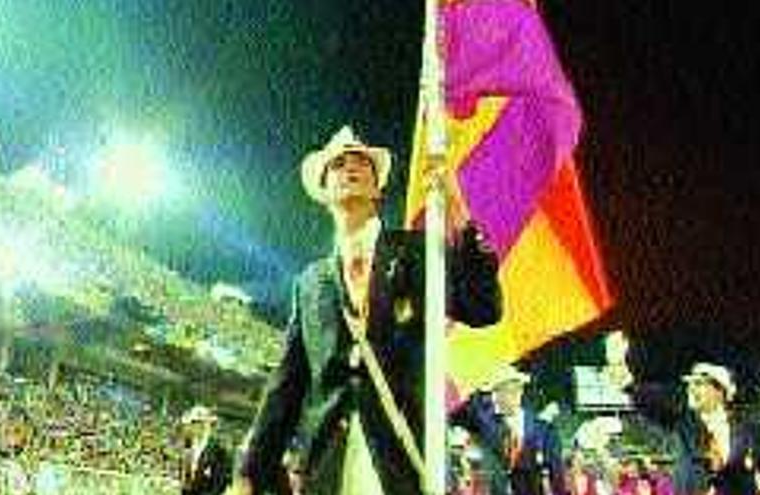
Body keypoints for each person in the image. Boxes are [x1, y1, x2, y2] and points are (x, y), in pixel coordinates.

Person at [233, 126, 502, 494]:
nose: (351, 167)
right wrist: (250, 472)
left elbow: (484, 306)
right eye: (338, 163)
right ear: (324, 191)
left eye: (362, 161)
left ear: (377, 189)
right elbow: (288, 384)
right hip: (328, 466)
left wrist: (463, 222)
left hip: (403, 457)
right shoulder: (310, 283)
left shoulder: (416, 254)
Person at [625, 361, 760, 495]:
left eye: (699, 383)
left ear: (719, 391)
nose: (691, 389)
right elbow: (649, 405)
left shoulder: (748, 428)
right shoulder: (683, 422)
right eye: (690, 384)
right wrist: (629, 385)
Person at [449, 364, 565, 495]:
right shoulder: (484, 420)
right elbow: (455, 414)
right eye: (508, 390)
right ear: (496, 393)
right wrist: (478, 391)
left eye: (517, 389)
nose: (514, 395)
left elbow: (557, 474)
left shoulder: (543, 429)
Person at [180, 405, 232, 495]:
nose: (193, 427)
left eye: (196, 423)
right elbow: (185, 478)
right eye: (192, 423)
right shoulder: (189, 446)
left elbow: (220, 483)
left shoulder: (218, 450)